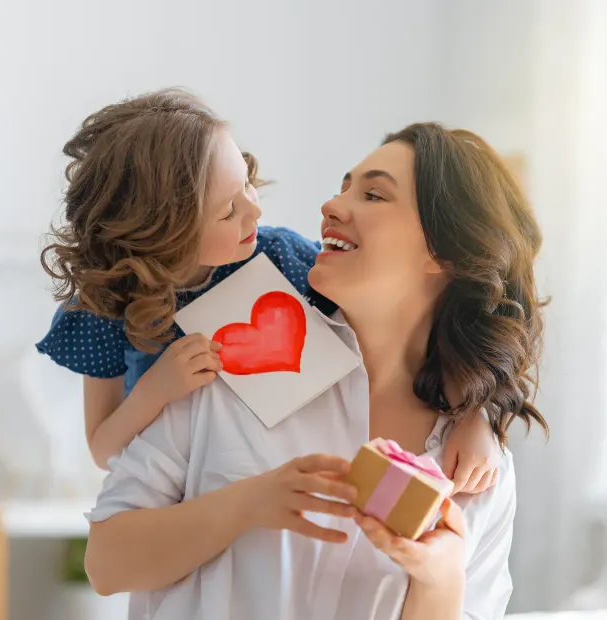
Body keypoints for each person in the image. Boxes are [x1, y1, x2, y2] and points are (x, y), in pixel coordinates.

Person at [83, 122, 549, 619]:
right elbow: (106, 564)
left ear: (444, 252)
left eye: (373, 195)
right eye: (343, 187)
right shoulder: (232, 359)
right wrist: (247, 503)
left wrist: (439, 580)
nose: (331, 205)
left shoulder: (475, 468)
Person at [36, 88, 502, 493]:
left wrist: (475, 415)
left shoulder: (282, 259)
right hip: (170, 495)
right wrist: (155, 391)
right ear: (163, 232)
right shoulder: (103, 306)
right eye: (228, 210)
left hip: (272, 485)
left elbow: (417, 335)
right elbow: (102, 450)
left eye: (247, 183)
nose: (255, 211)